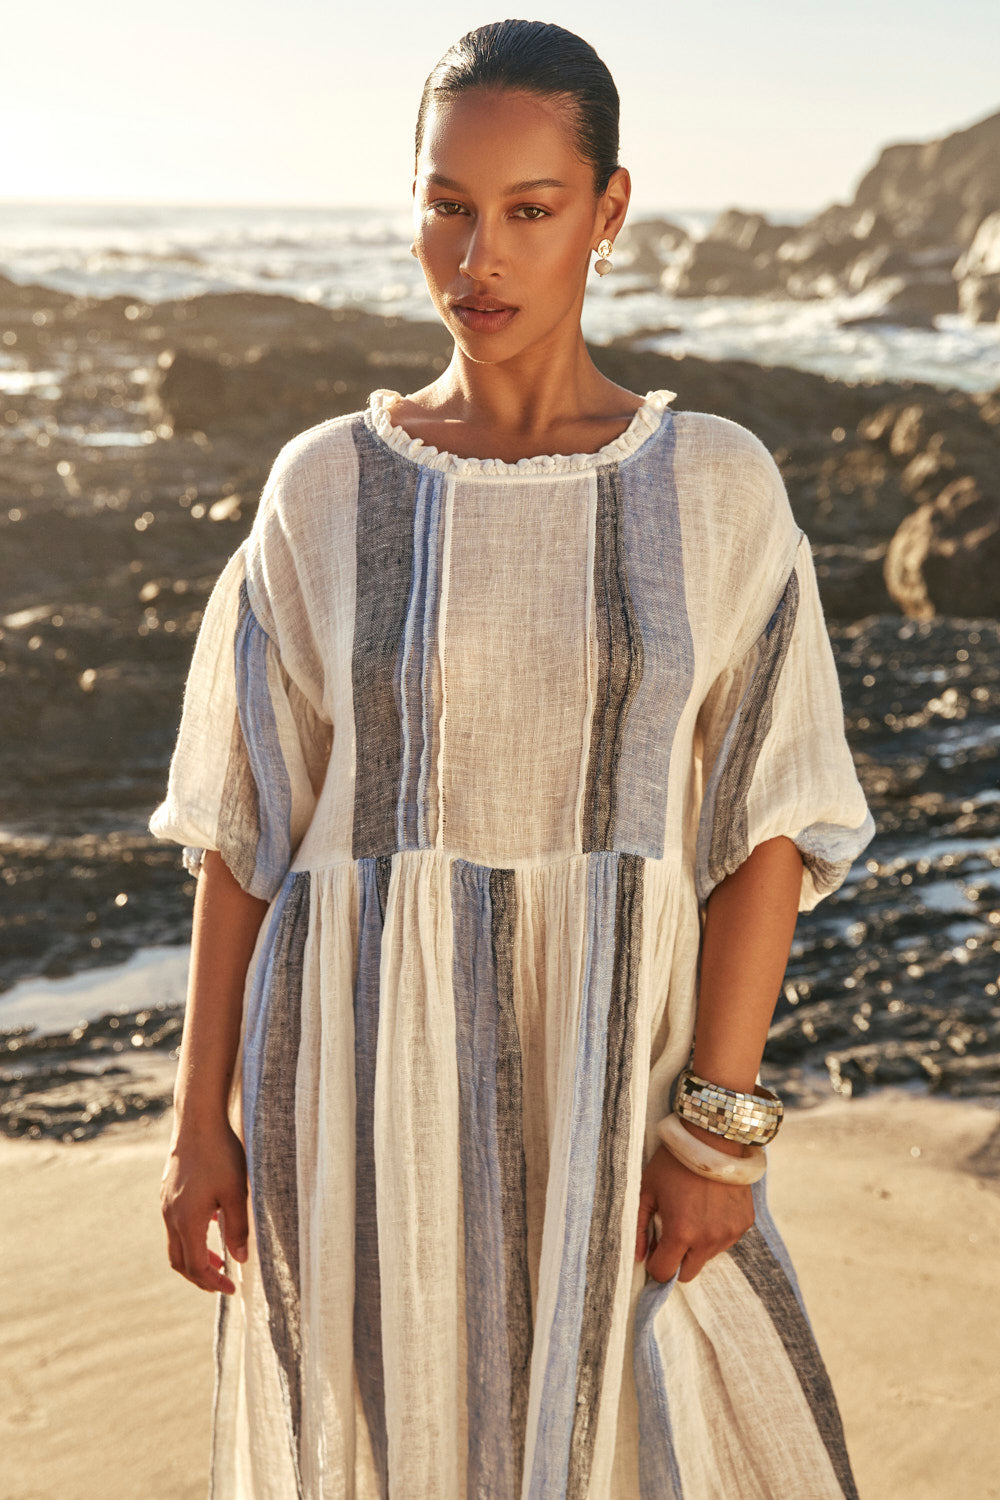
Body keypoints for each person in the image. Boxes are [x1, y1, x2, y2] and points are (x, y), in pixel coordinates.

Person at [153, 18, 875, 1498]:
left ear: (608, 212)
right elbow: (248, 825)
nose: (477, 256)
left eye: (529, 212)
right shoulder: (325, 487)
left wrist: (719, 1130)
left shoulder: (716, 486)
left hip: (624, 1064)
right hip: (349, 1069)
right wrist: (194, 1126)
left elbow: (771, 820)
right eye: (447, 205)